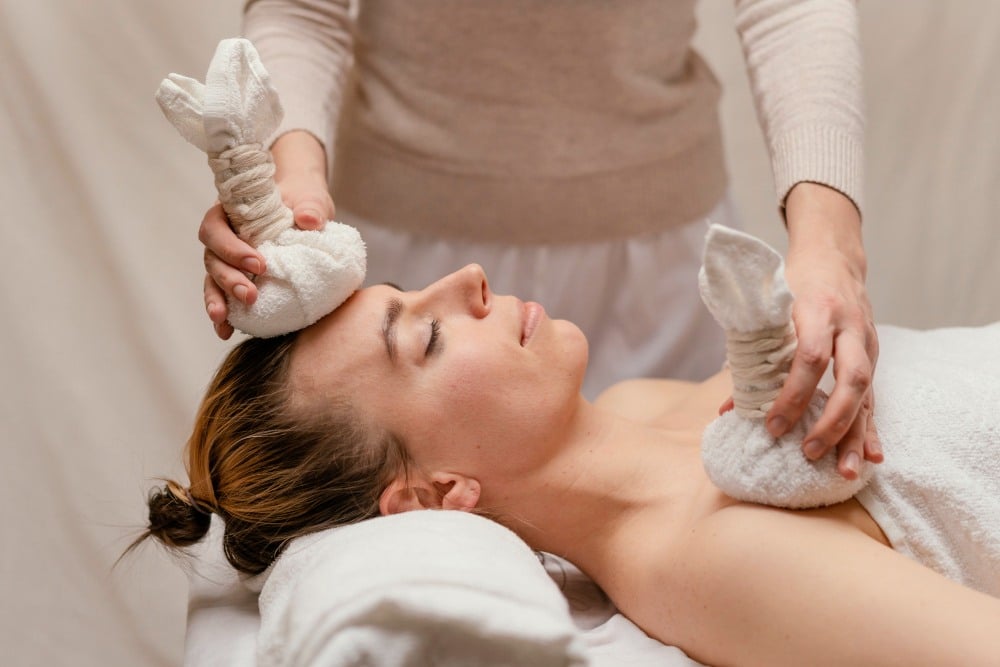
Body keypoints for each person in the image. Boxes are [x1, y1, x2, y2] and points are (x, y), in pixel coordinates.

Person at [135, 265, 1000, 666]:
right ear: (434, 495)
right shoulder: (708, 561)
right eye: (427, 337)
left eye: (413, 290)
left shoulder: (630, 410)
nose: (467, 279)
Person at [197, 0, 878, 476]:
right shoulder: (412, 312)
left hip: (663, 272)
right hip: (401, 264)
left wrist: (831, 246)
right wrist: (287, 186)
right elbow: (301, 6)